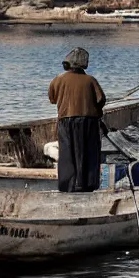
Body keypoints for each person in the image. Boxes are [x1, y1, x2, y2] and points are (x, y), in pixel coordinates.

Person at [48, 48, 106, 192]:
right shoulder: (91, 80)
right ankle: (88, 184)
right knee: (89, 153)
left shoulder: (58, 79)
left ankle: (68, 186)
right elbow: (101, 100)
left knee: (67, 153)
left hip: (66, 121)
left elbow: (52, 99)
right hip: (89, 122)